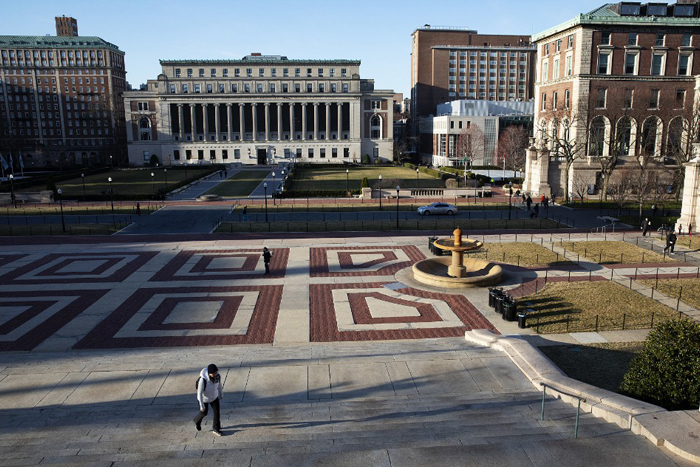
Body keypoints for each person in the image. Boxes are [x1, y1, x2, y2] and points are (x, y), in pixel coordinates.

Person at [194, 364, 224, 436]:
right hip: (205, 399)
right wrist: (201, 405)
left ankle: (216, 428)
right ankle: (197, 421)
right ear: (209, 373)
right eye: (213, 373)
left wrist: (221, 394)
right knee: (204, 413)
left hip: (214, 397)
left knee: (217, 413)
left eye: (216, 373)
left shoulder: (217, 377)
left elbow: (219, 385)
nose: (215, 374)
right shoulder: (203, 380)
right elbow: (199, 393)